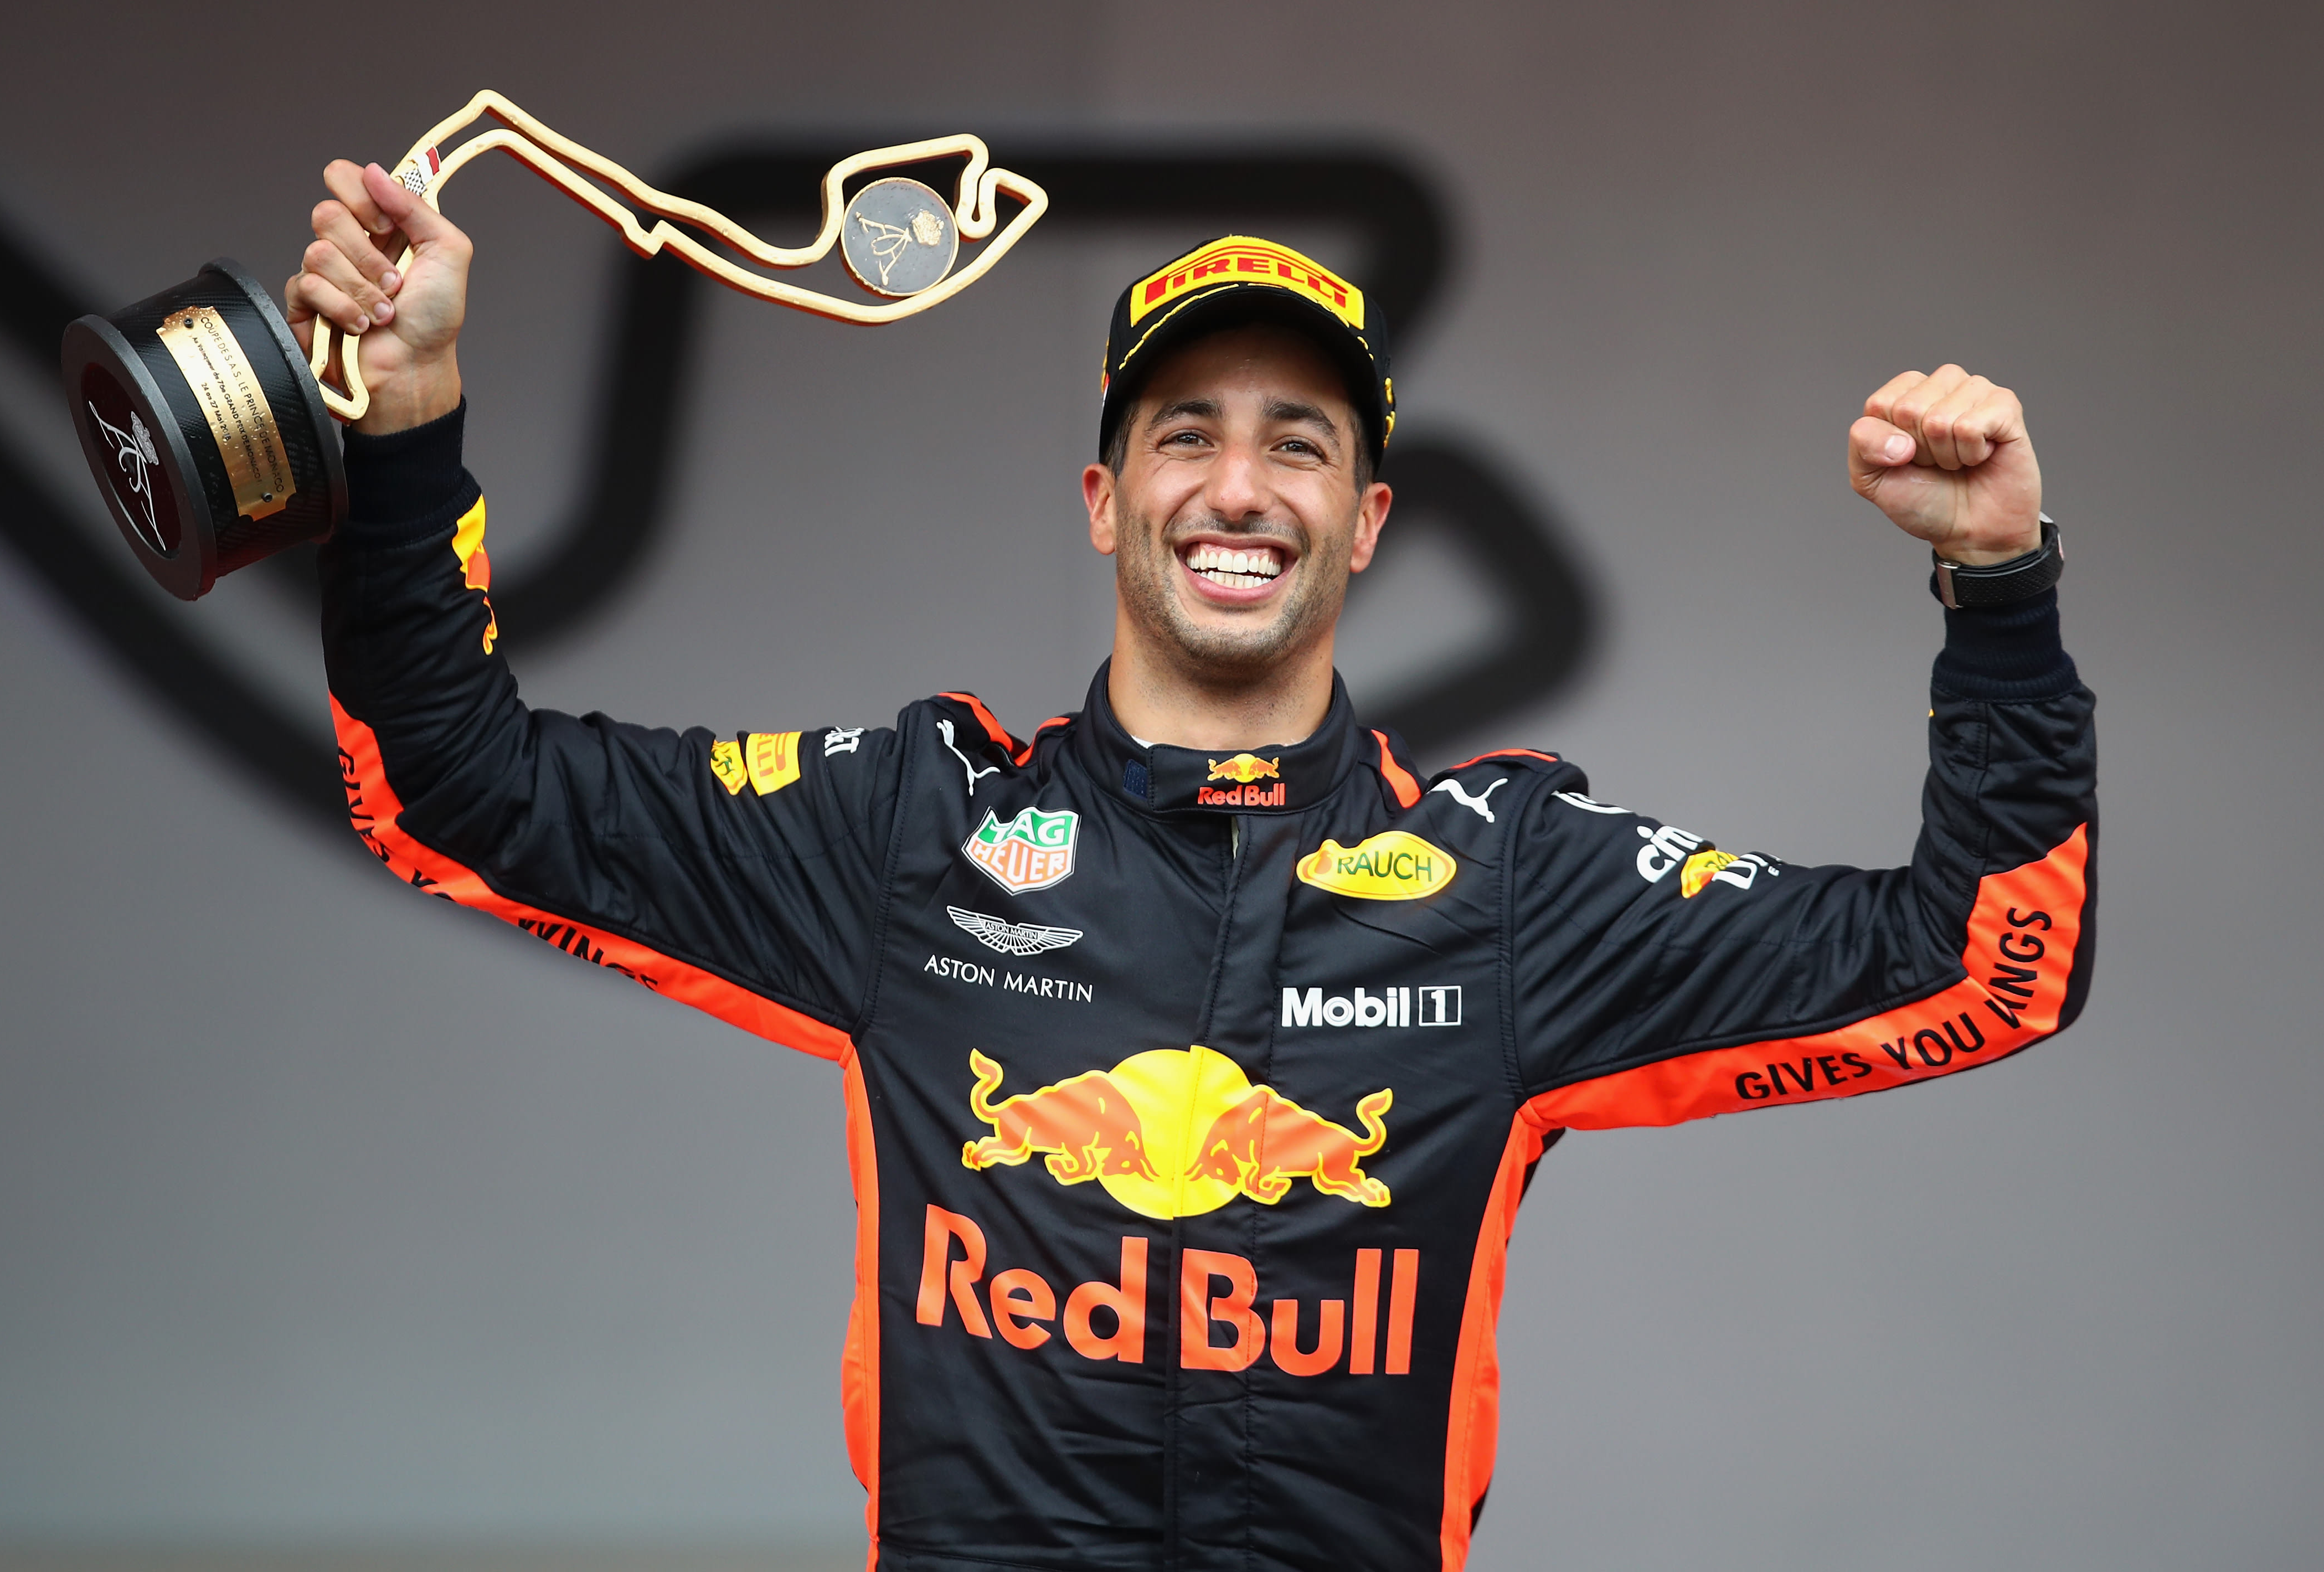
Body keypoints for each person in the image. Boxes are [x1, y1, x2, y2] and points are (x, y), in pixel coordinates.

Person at [289, 158, 2095, 1572]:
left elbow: (1981, 965)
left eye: (1297, 445)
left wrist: (1997, 588)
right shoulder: (911, 831)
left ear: (1365, 525)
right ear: (1104, 503)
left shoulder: (1509, 887)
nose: (1238, 489)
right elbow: (453, 793)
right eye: (1185, 437)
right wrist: (408, 415)